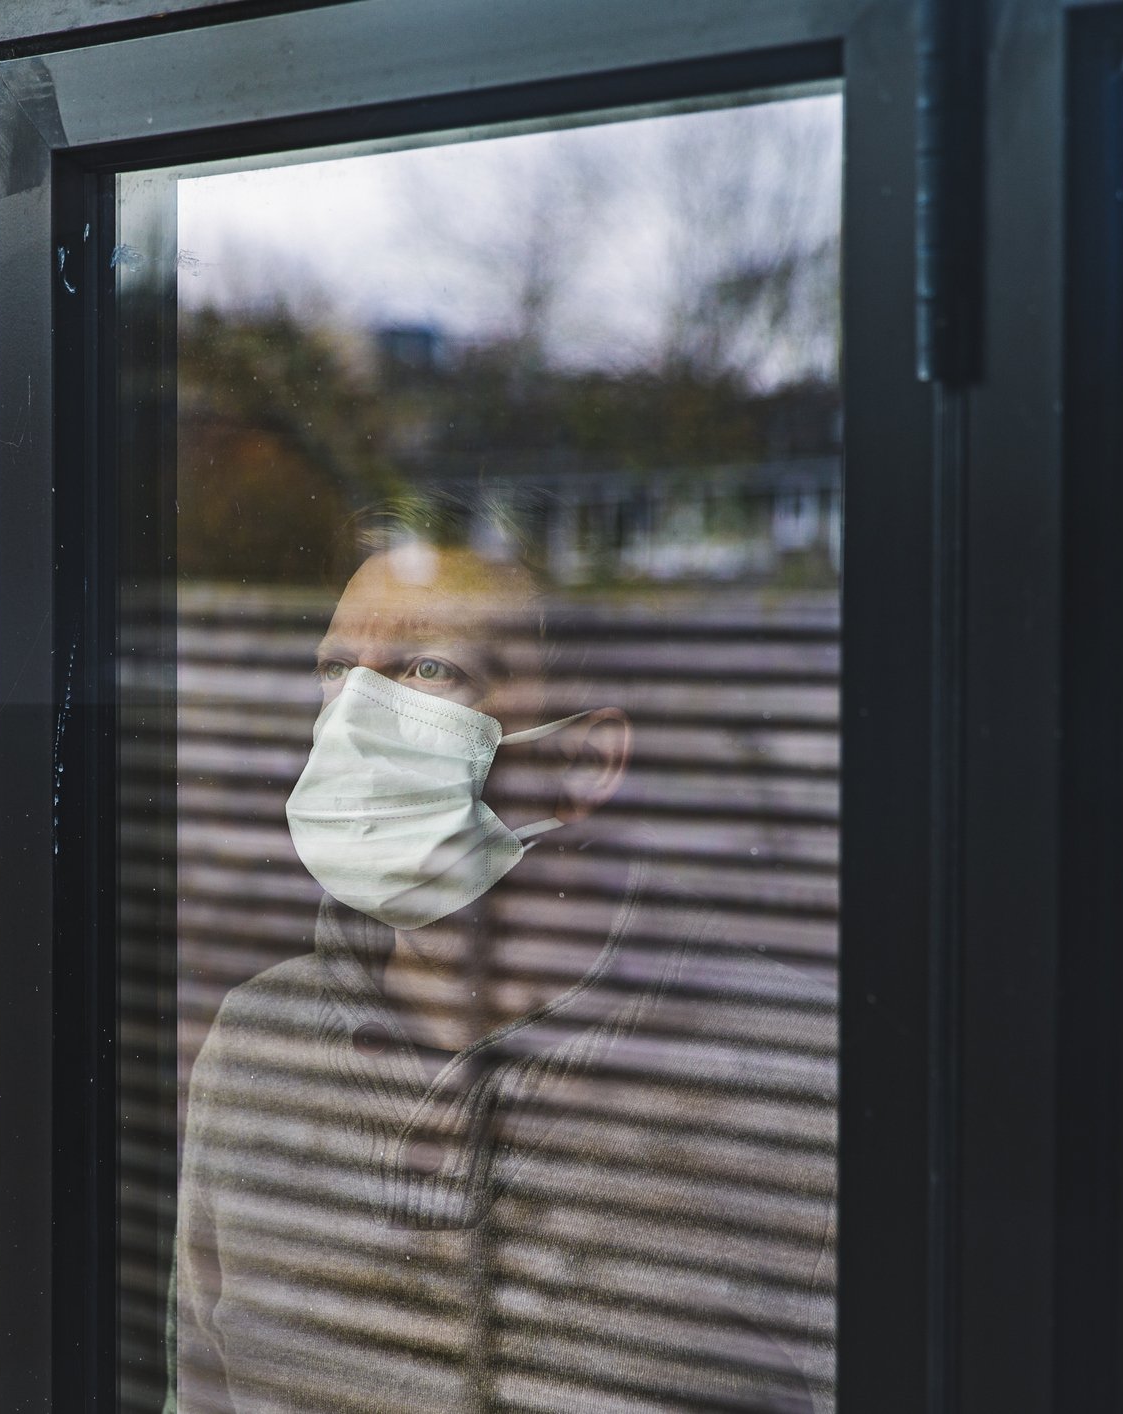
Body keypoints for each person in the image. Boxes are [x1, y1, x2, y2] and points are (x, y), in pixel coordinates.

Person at [169, 493, 835, 1413]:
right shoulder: (257, 1048)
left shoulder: (795, 1076)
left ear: (586, 763)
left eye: (430, 668)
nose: (355, 714)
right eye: (334, 670)